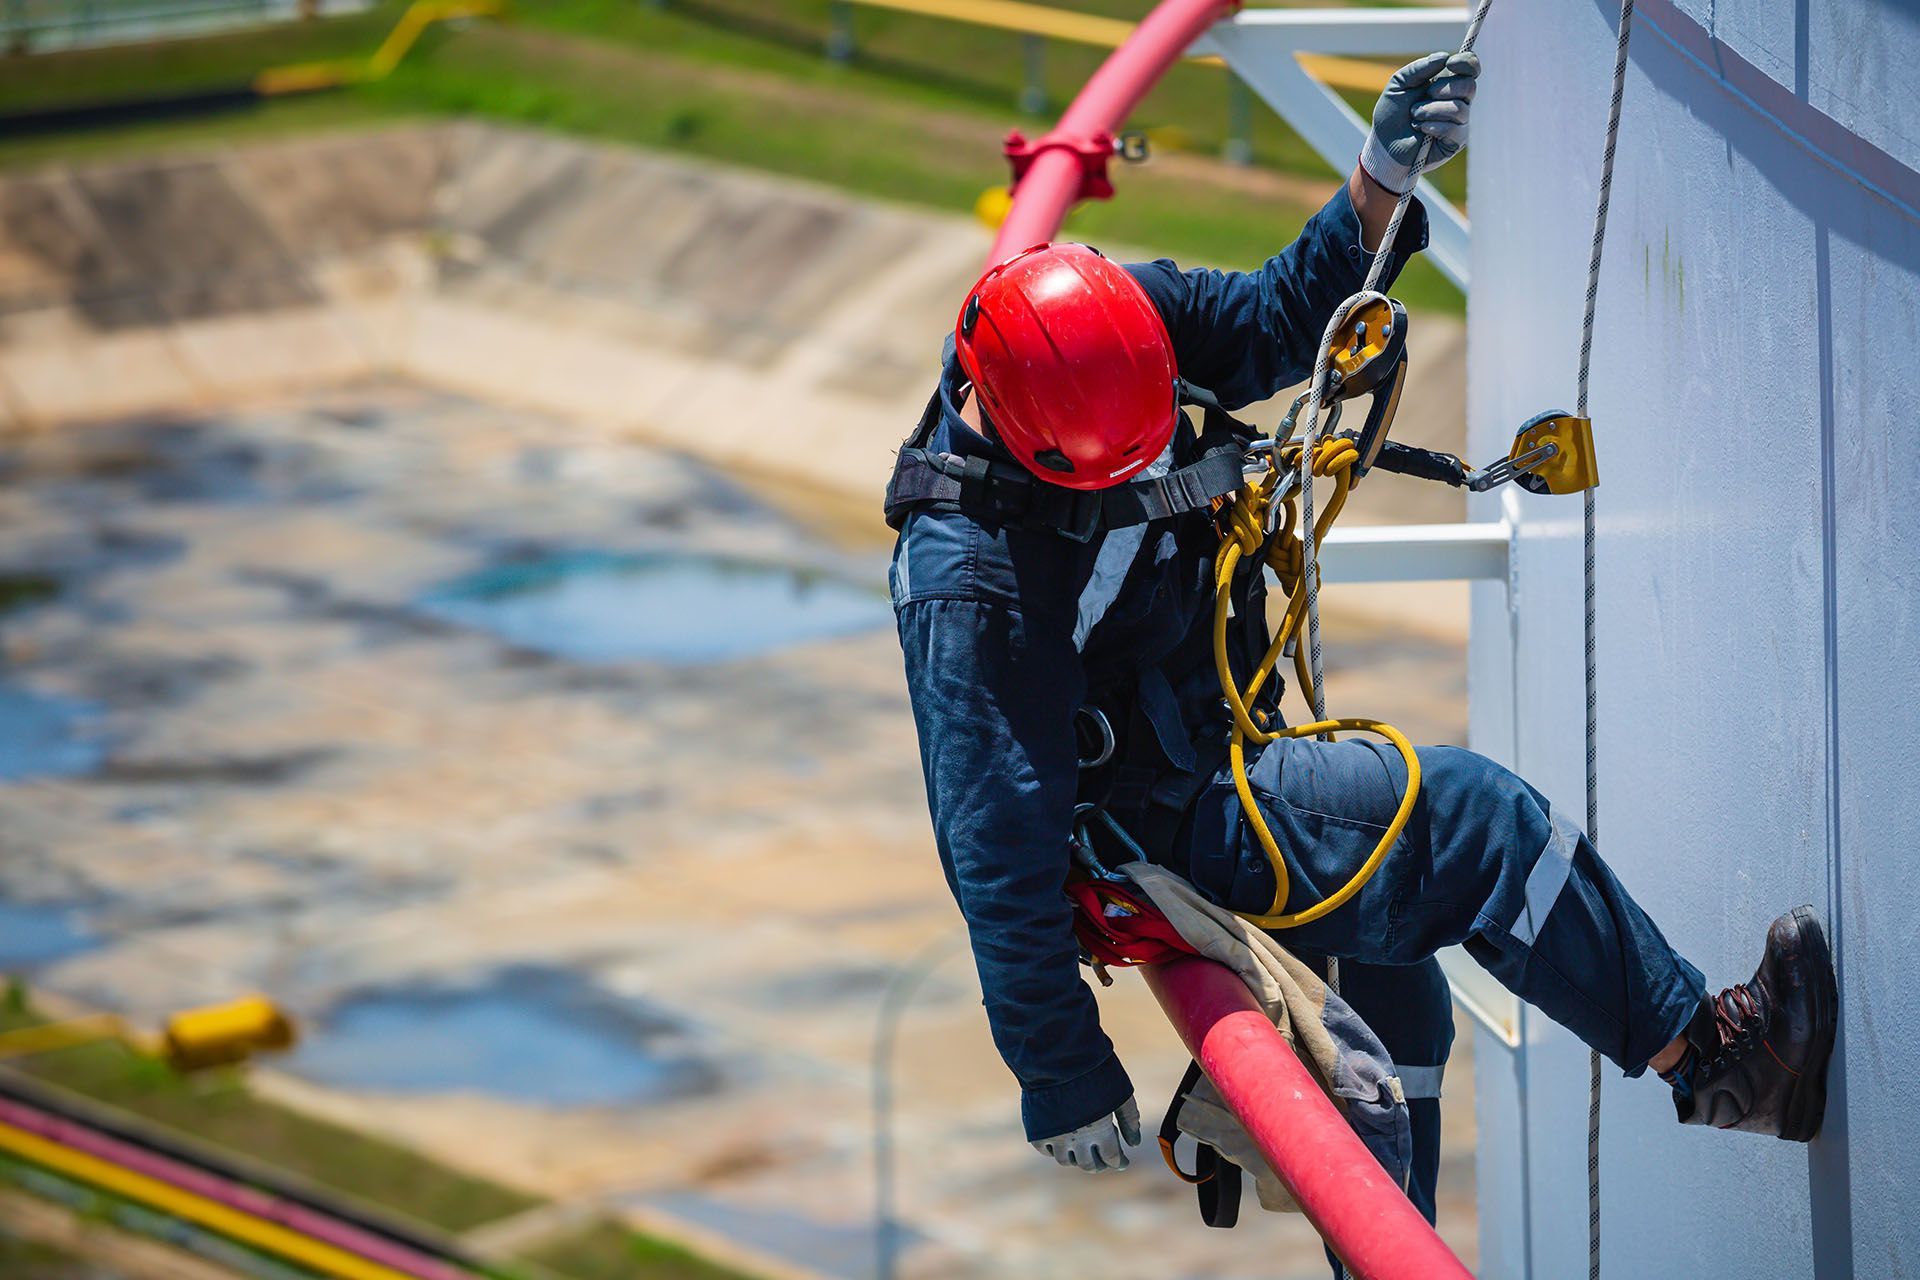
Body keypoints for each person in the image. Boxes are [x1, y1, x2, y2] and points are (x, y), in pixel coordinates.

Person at [882, 49, 1839, 1242]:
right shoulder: (971, 580)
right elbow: (994, 841)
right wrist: (1059, 1068)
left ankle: (1390, 1252)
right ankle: (1722, 1060)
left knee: (1398, 980)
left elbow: (1283, 319)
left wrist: (1381, 177)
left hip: (1201, 738)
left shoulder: (1107, 326)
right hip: (1150, 816)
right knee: (1476, 820)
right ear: (1036, 452)